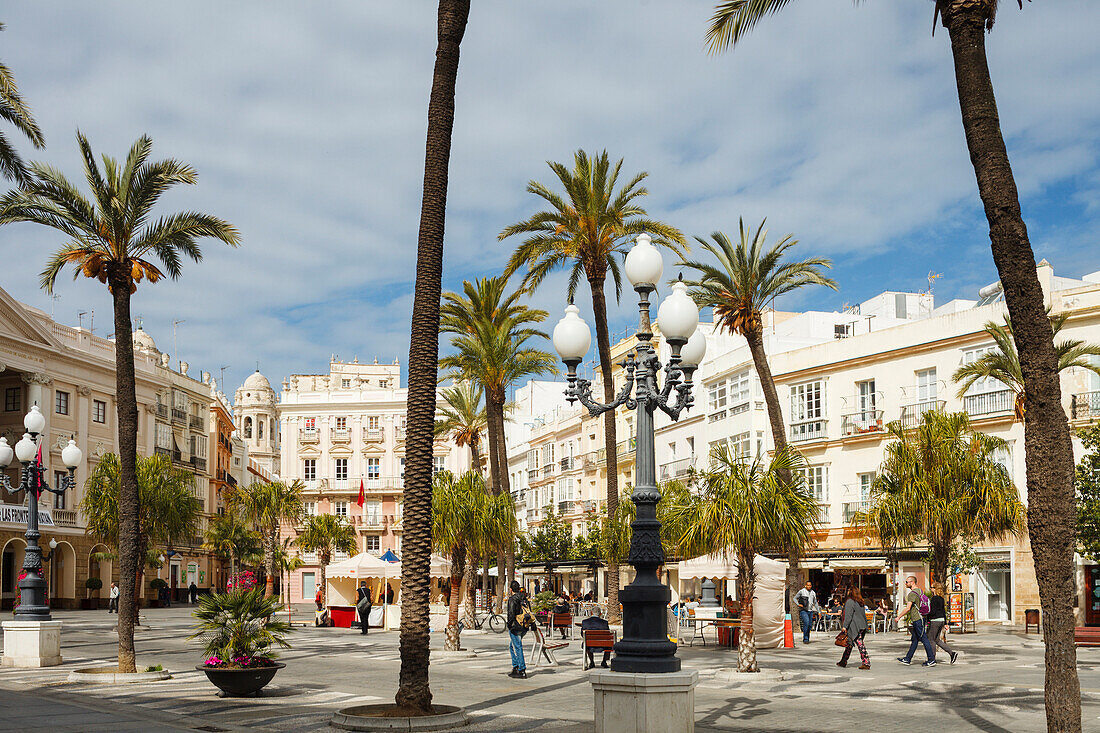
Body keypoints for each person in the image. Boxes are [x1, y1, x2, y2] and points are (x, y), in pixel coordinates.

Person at [897, 575, 936, 666]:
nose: (905, 584)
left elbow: (908, 608)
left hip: (918, 619)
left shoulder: (912, 594)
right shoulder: (920, 591)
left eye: (907, 582)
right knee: (915, 640)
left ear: (912, 582)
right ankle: (907, 659)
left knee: (924, 639)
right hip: (920, 618)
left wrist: (899, 617)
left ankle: (931, 659)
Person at [837, 586, 870, 670]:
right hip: (862, 625)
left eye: (848, 591)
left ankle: (866, 662)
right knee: (849, 643)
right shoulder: (860, 602)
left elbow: (848, 615)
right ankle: (843, 661)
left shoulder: (850, 602)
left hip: (854, 626)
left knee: (859, 644)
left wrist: (845, 626)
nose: (847, 592)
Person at [506, 580, 532, 679]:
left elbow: (511, 613)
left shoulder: (512, 599)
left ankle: (522, 669)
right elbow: (529, 611)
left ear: (511, 589)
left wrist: (509, 624)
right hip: (524, 625)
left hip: (516, 625)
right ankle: (515, 666)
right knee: (512, 646)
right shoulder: (524, 598)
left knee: (517, 646)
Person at [928, 582, 958, 664]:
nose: (930, 589)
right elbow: (943, 611)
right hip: (941, 620)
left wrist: (926, 614)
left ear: (935, 589)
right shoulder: (941, 598)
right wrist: (945, 622)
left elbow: (933, 612)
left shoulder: (934, 598)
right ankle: (952, 653)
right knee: (937, 640)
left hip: (935, 620)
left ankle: (932, 659)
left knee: (931, 640)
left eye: (931, 587)